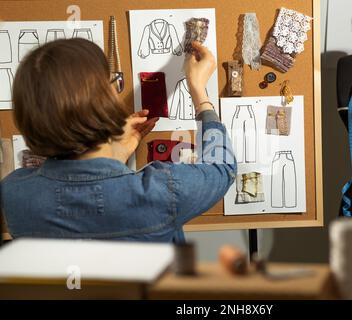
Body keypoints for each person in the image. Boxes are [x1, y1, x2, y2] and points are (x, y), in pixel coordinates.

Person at [0, 38, 236, 243]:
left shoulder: (15, 193)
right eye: (113, 83)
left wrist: (116, 154)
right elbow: (221, 167)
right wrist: (198, 91)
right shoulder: (162, 191)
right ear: (102, 102)